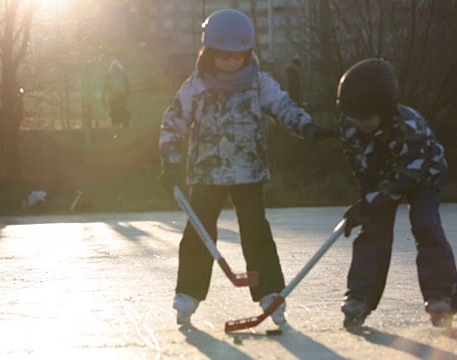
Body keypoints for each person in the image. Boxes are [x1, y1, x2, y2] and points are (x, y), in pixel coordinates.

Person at [158, 9, 332, 326]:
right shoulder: (196, 86)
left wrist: (305, 126)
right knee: (198, 231)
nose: (231, 62)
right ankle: (188, 293)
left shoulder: (259, 83)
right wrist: (169, 155)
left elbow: (282, 105)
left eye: (238, 56)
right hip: (206, 172)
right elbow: (174, 119)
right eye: (223, 56)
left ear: (247, 53)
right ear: (208, 53)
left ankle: (269, 292)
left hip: (248, 170)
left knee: (256, 231)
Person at [337, 58, 457, 329]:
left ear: (385, 108)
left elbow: (404, 180)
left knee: (425, 224)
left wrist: (371, 202)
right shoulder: (350, 127)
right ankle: (360, 296)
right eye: (355, 116)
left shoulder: (409, 128)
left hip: (423, 174)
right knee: (373, 229)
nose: (360, 123)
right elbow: (361, 167)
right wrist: (365, 202)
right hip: (383, 178)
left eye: (367, 117)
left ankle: (442, 293)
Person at [103, 59, 130, 128]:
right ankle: (124, 122)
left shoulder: (109, 74)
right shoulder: (122, 73)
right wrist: (127, 93)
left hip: (112, 95)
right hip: (122, 94)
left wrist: (104, 96)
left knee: (114, 109)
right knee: (122, 108)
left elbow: (106, 86)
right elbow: (127, 83)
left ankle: (114, 124)